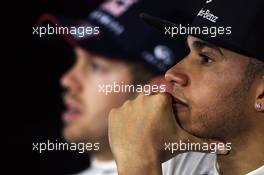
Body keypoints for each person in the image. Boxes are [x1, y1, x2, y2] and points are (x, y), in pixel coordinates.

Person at [38, 0, 202, 174]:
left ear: (158, 91)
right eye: (75, 60)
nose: (67, 81)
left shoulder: (210, 168)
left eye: (96, 66)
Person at [108, 0, 264, 174]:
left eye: (206, 58)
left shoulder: (145, 158)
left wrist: (138, 161)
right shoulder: (168, 154)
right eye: (188, 52)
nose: (172, 73)